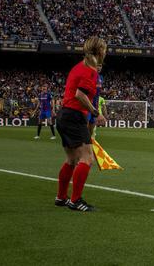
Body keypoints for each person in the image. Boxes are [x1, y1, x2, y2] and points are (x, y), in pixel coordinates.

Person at [54, 37, 107, 212]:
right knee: (87, 158)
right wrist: (95, 113)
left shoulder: (79, 66)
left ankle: (61, 197)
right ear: (99, 51)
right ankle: (75, 200)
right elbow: (80, 95)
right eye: (104, 49)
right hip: (72, 116)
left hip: (65, 115)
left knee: (71, 159)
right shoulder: (90, 71)